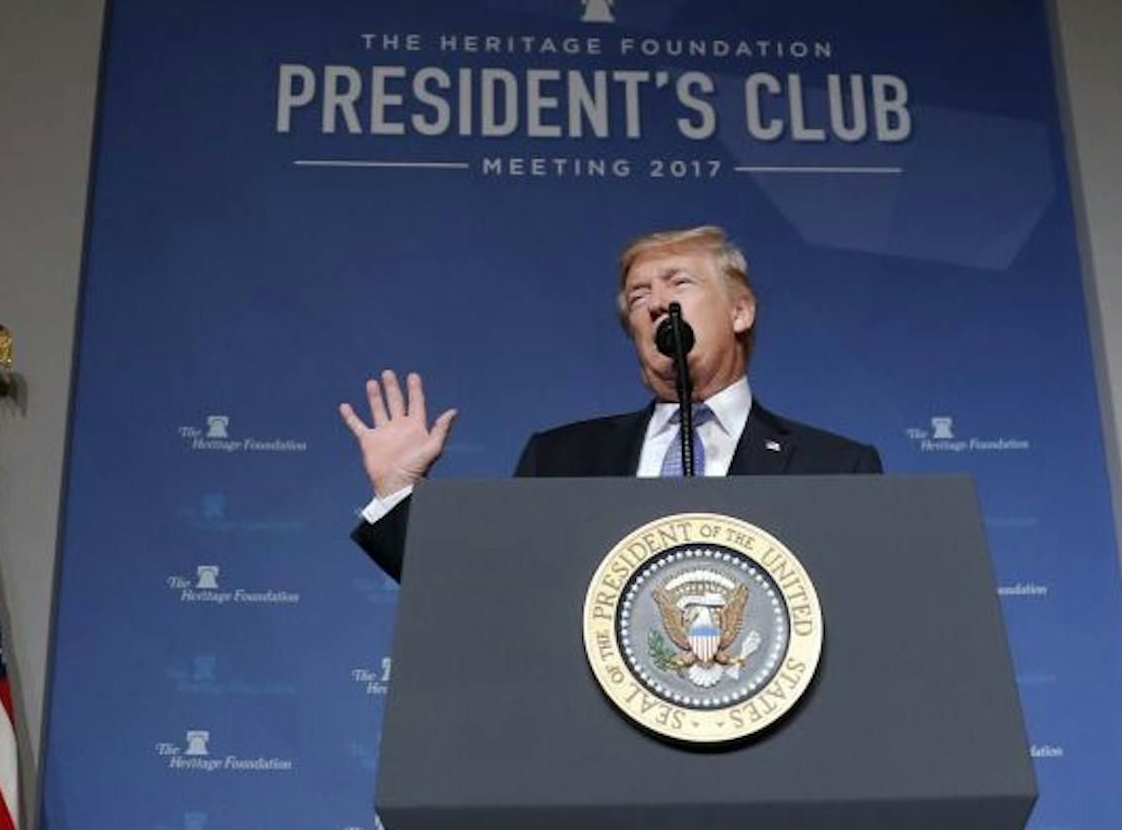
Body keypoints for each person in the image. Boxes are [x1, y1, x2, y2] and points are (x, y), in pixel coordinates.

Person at [340, 225, 882, 579]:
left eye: (679, 283)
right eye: (639, 296)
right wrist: (397, 492)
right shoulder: (559, 460)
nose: (656, 304)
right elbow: (484, 594)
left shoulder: (834, 466)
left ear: (740, 312)